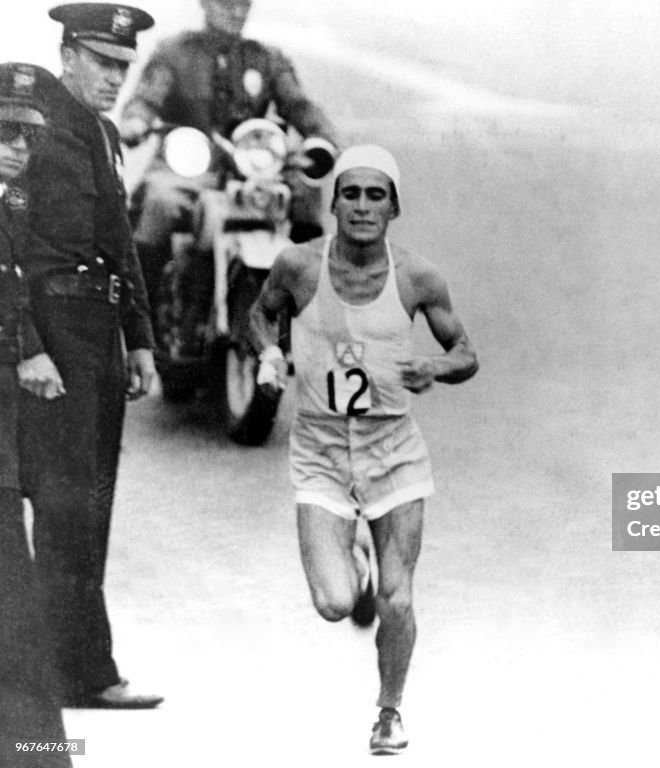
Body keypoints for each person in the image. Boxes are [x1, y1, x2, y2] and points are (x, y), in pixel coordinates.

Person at [250, 145, 478, 755]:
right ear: (333, 203)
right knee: (334, 603)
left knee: (397, 597)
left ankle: (388, 713)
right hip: (320, 453)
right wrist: (271, 354)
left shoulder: (417, 277)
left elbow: (466, 354)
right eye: (350, 193)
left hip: (393, 453)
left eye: (376, 195)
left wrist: (436, 366)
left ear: (394, 207)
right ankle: (352, 550)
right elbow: (260, 314)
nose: (361, 205)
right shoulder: (298, 266)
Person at [17, 3, 161, 709]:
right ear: (69, 54)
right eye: (102, 63)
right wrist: (27, 347)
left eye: (122, 68)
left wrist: (139, 339)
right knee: (63, 506)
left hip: (97, 338)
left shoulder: (102, 135)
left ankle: (82, 671)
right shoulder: (28, 123)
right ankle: (60, 680)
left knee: (90, 508)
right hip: (48, 339)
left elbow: (120, 241)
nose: (113, 79)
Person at [119, 0, 343, 314]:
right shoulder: (174, 53)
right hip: (186, 169)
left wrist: (324, 137)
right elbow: (146, 98)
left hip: (252, 171)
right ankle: (140, 313)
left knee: (304, 195)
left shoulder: (265, 58)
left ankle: (305, 302)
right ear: (205, 4)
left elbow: (299, 105)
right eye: (226, 3)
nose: (236, 12)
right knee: (160, 202)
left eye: (244, 5)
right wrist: (136, 121)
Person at [0, 61, 72, 768]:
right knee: (14, 606)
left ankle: (34, 749)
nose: (19, 148)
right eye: (5, 133)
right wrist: (23, 351)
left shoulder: (11, 207)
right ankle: (37, 754)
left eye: (28, 136)